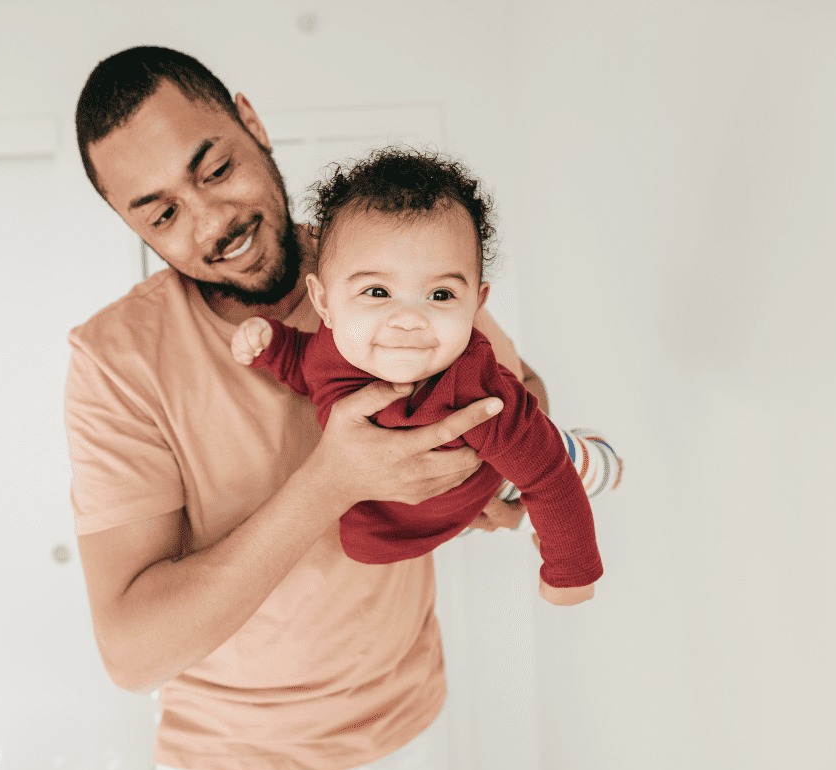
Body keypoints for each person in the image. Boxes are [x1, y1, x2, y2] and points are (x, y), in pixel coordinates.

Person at [66, 45, 561, 770]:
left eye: (216, 170)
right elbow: (133, 656)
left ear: (252, 123)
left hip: (405, 732)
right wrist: (331, 482)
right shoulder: (114, 360)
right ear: (128, 223)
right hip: (226, 767)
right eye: (164, 213)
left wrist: (493, 478)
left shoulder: (388, 262)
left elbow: (522, 392)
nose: (212, 222)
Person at [231, 147, 605, 605]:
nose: (409, 319)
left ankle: (602, 458)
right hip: (431, 513)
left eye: (441, 294)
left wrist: (570, 573)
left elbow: (550, 477)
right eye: (377, 291)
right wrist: (270, 345)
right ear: (325, 303)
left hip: (492, 479)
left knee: (578, 467)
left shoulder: (475, 389)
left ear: (477, 303)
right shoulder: (332, 351)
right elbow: (304, 366)